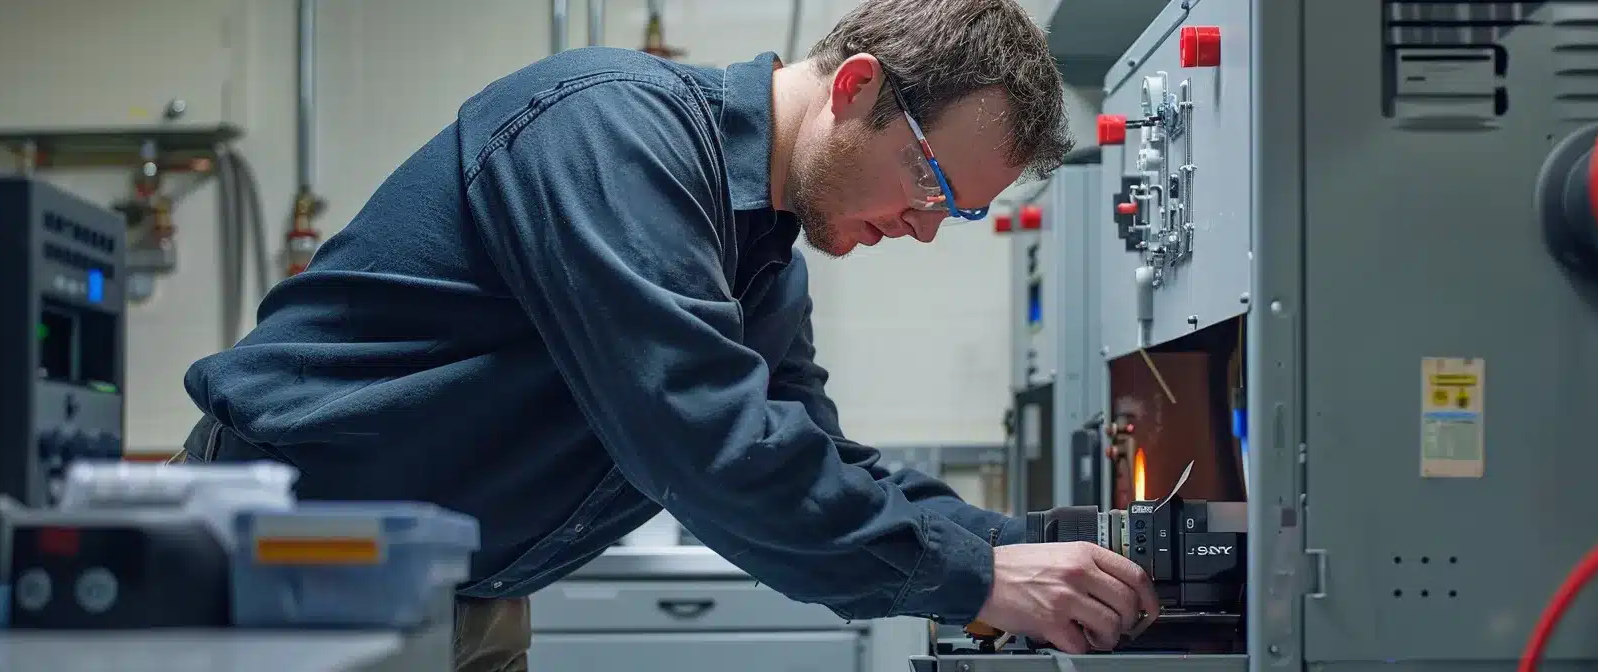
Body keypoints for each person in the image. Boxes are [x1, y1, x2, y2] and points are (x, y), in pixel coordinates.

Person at [177, 0, 1159, 669]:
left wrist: (1029, 550)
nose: (926, 226)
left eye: (960, 212)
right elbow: (708, 445)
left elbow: (812, 456)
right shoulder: (611, 131)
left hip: (471, 601)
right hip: (294, 570)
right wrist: (978, 573)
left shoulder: (763, 259)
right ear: (858, 88)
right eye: (932, 186)